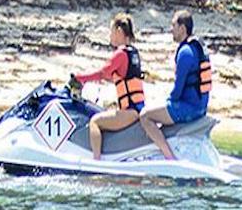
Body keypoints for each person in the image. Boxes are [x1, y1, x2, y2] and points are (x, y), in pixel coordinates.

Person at [139, 9, 212, 160]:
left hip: (189, 109)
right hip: (200, 108)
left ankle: (168, 157)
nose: (171, 29)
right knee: (160, 110)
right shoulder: (196, 48)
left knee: (145, 115)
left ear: (182, 28)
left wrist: (167, 103)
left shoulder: (185, 52)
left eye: (173, 25)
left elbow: (178, 90)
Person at [69, 13, 145, 160]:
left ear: (118, 31)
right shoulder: (133, 53)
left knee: (95, 122)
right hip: (137, 108)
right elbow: (114, 76)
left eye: (111, 32)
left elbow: (102, 73)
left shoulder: (120, 54)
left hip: (129, 111)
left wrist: (80, 78)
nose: (109, 36)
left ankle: (96, 161)